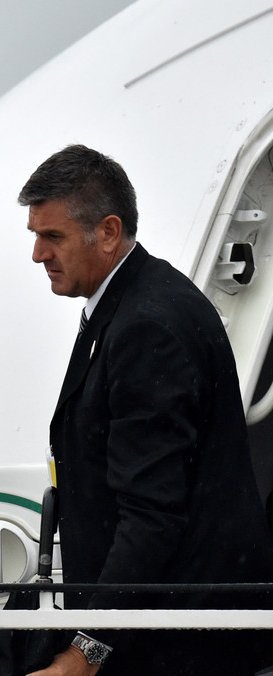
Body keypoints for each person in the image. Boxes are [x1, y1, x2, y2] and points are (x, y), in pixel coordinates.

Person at [17, 145, 273, 675]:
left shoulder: (146, 327)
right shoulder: (129, 304)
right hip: (152, 627)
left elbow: (152, 516)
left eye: (53, 237)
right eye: (36, 236)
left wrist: (85, 652)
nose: (38, 254)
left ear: (108, 233)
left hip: (181, 645)